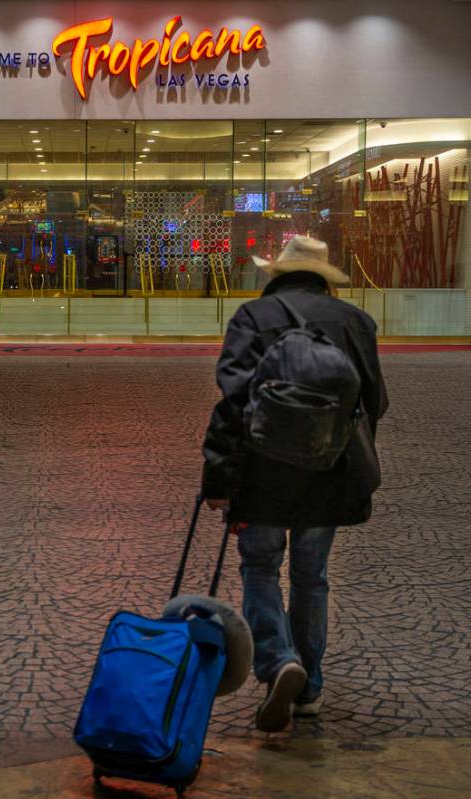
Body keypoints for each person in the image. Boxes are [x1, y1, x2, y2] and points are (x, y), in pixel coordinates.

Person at [201, 235, 388, 733]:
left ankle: (280, 658)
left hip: (262, 473)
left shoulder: (253, 318)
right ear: (325, 279)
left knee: (260, 568)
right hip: (329, 473)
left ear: (277, 276)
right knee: (312, 577)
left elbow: (234, 403)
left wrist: (219, 476)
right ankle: (309, 690)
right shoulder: (355, 322)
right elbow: (374, 402)